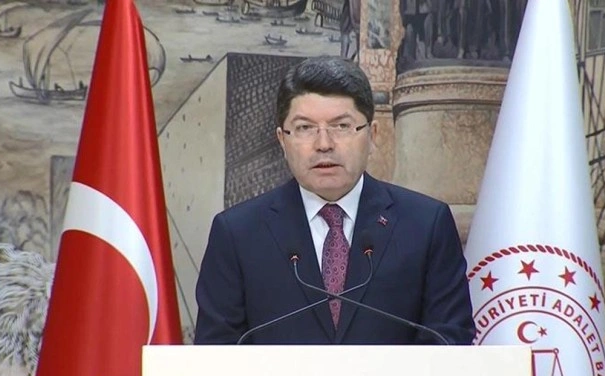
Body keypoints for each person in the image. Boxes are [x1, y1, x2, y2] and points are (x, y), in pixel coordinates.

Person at [194, 56, 474, 345]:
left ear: (372, 134)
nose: (324, 144)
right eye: (305, 128)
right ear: (282, 140)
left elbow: (449, 339)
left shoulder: (425, 225)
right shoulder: (238, 234)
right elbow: (217, 350)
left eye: (341, 126)